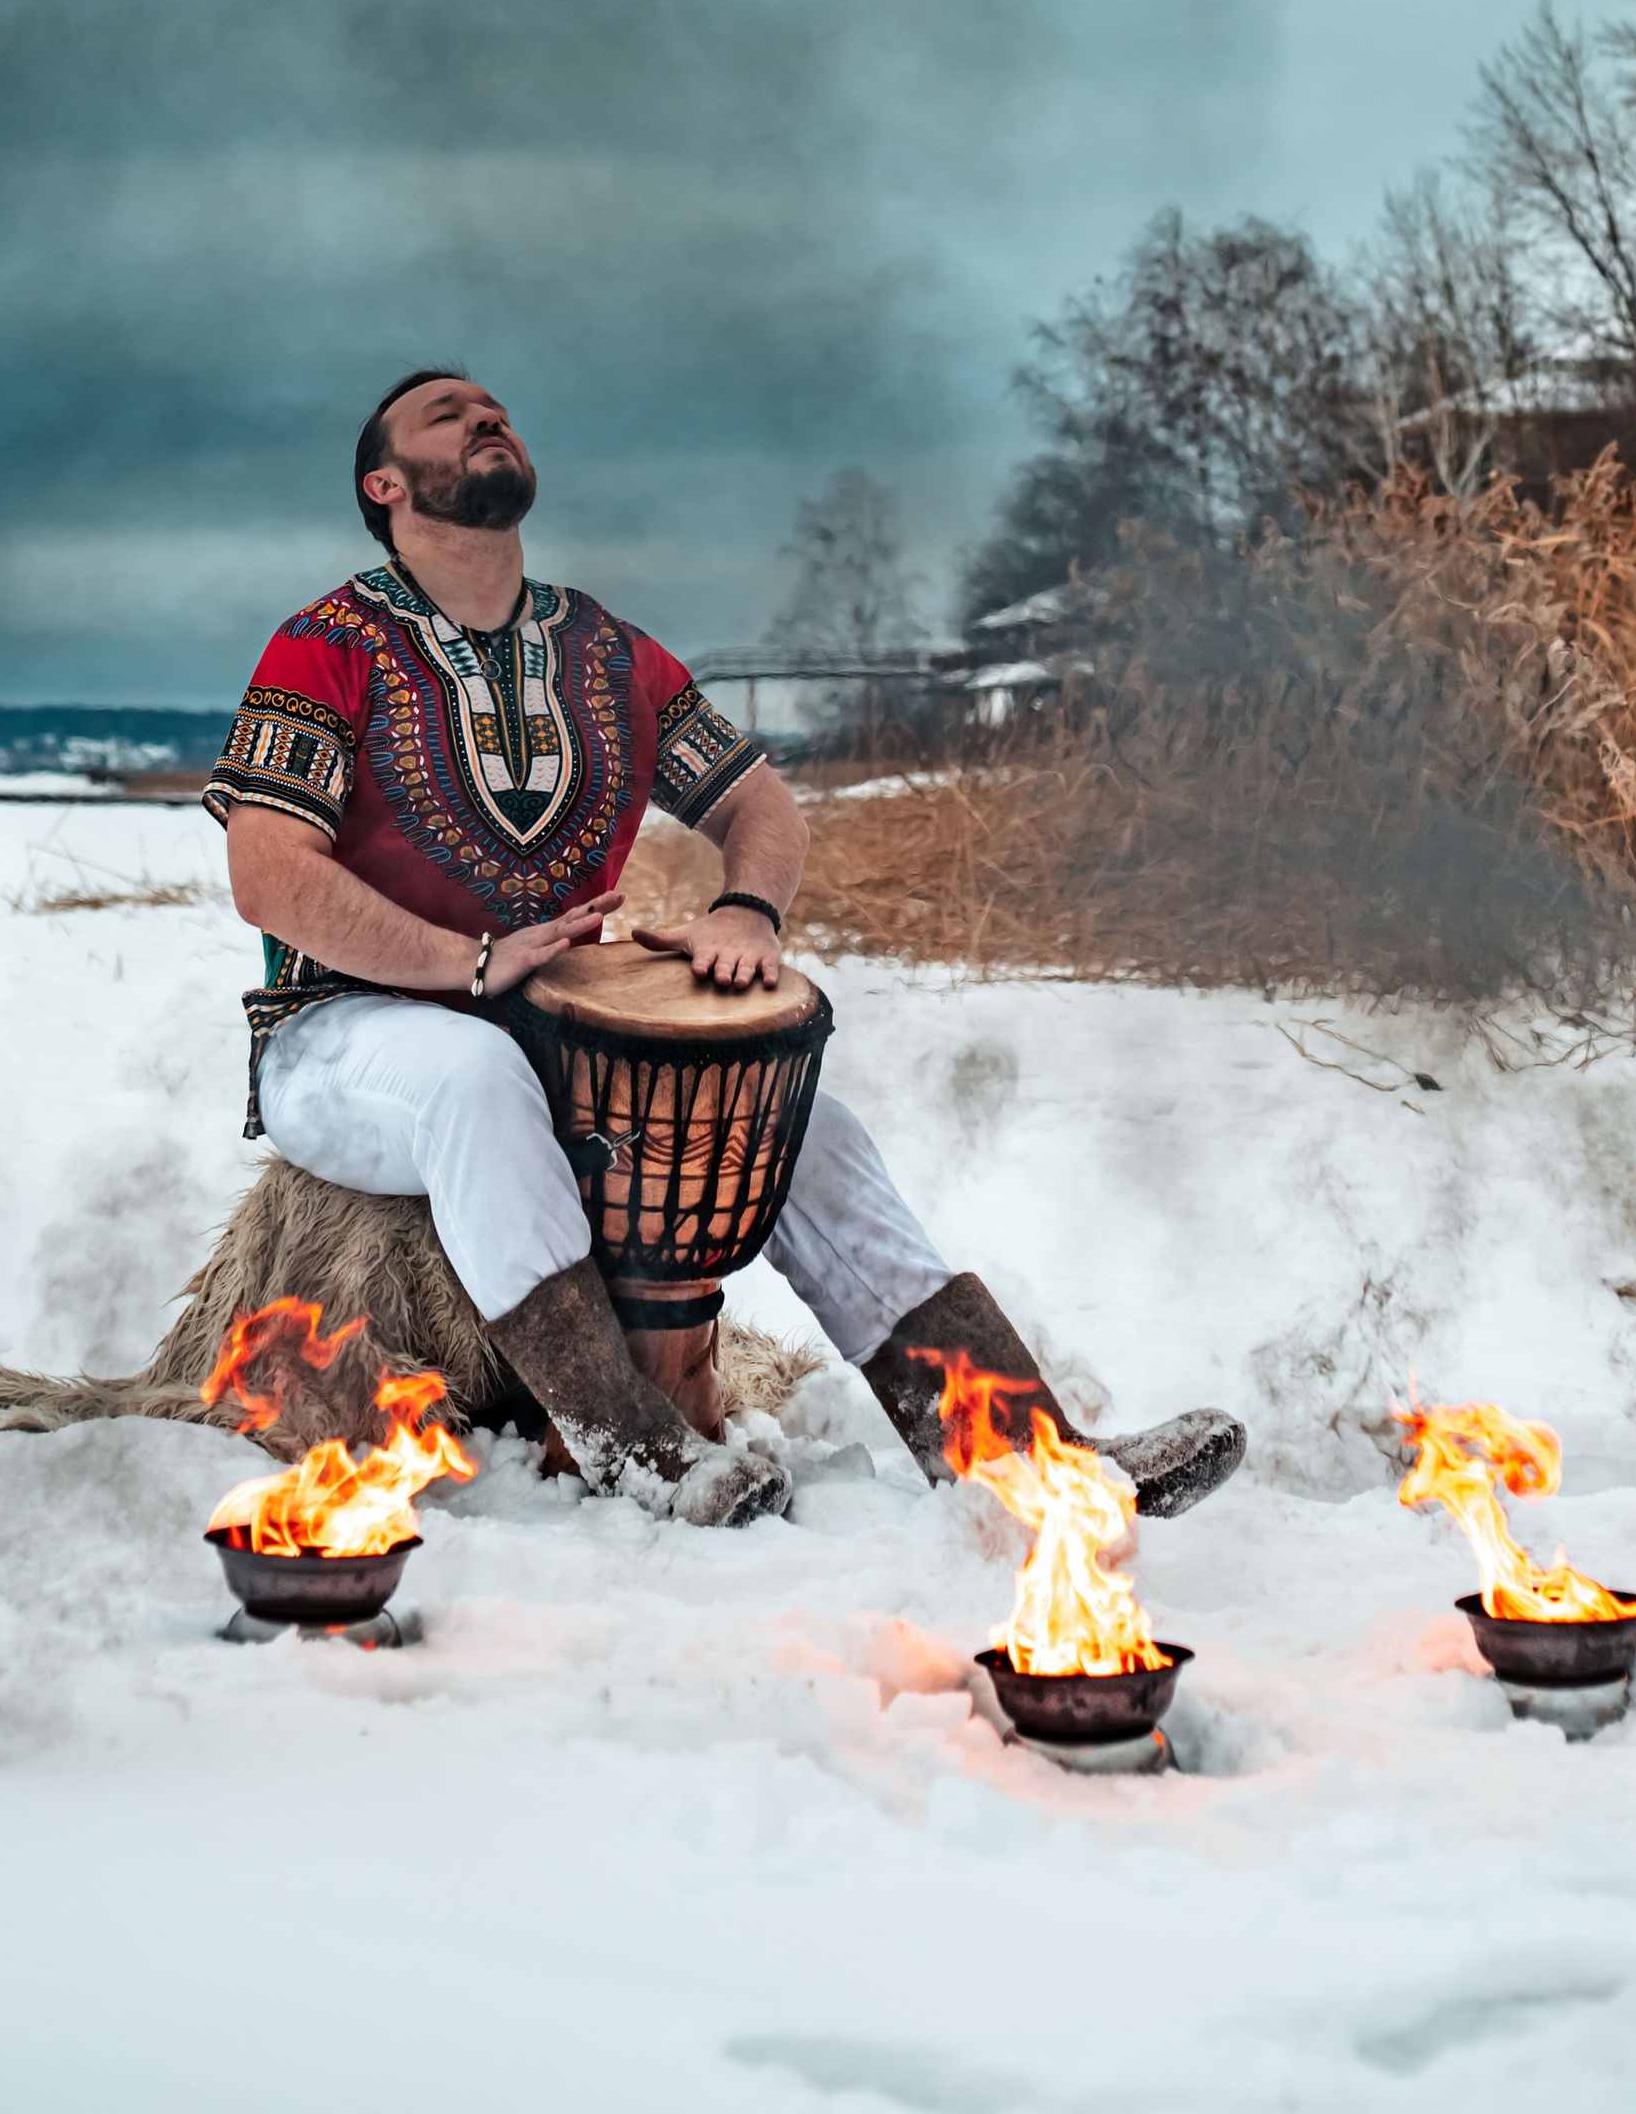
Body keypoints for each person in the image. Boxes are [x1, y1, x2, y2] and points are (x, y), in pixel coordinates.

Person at [207, 367, 1244, 1530]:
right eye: (446, 414)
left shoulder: (606, 654)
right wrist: (468, 961)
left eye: (493, 406)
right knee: (474, 1073)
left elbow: (761, 805)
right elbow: (268, 872)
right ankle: (632, 1444)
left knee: (807, 1131)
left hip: (557, 1045)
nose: (485, 415)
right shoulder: (325, 646)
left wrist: (746, 909)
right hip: (342, 1036)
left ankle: (1024, 1454)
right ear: (385, 485)